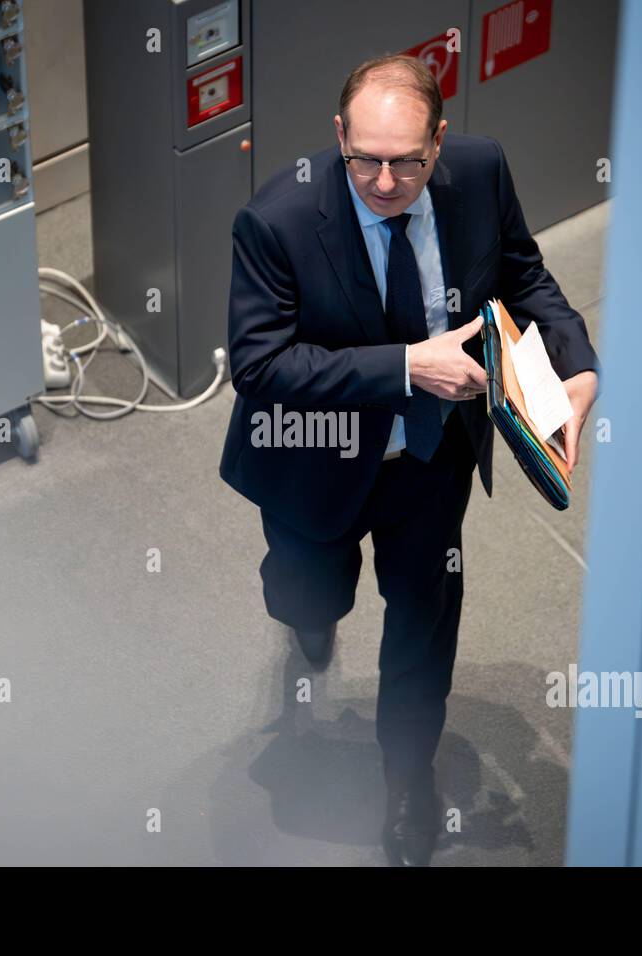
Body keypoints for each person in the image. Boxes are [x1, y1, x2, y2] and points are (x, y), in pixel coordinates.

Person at [218, 54, 601, 866]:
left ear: (440, 139)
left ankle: (406, 782)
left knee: (424, 622)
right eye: (366, 160)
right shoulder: (276, 218)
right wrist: (404, 365)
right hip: (313, 461)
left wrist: (579, 367)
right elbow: (259, 368)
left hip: (430, 458)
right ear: (338, 138)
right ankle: (311, 625)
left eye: (407, 161)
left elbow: (525, 279)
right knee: (308, 594)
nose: (385, 182)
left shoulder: (481, 171)